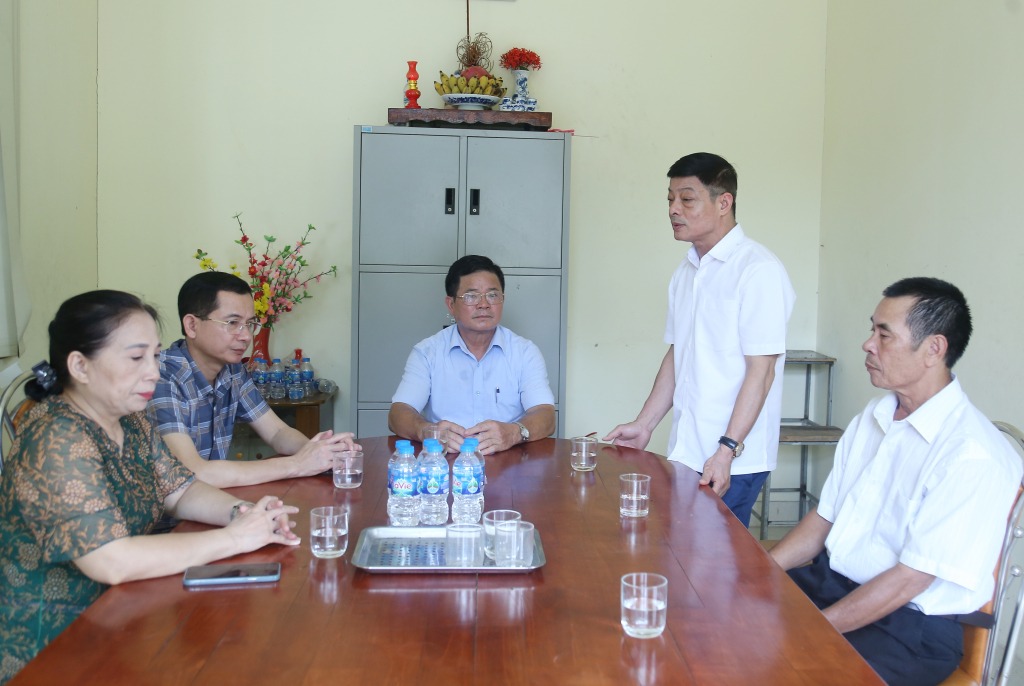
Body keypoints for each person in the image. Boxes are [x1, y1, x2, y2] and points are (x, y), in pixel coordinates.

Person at [0, 291, 301, 683]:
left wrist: (242, 514)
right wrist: (235, 539)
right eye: (136, 358)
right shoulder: (56, 436)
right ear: (80, 366)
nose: (153, 373)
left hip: (120, 618)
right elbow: (111, 560)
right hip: (51, 645)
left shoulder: (130, 420)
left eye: (156, 356)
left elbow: (180, 490)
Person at [770, 277, 1022, 685]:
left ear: (934, 349)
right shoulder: (874, 416)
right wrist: (759, 575)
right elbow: (824, 518)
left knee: (780, 669)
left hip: (907, 627)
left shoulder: (972, 454)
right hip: (831, 584)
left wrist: (811, 632)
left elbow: (910, 580)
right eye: (872, 329)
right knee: (724, 617)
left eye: (884, 335)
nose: (868, 344)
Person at [605, 152, 795, 527]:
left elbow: (762, 373)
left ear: (724, 202)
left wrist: (726, 450)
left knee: (717, 559)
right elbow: (679, 355)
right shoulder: (687, 270)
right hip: (687, 450)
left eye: (687, 199)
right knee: (681, 550)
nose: (674, 209)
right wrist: (645, 424)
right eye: (670, 199)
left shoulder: (758, 270)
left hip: (732, 459)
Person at [149, 272, 358, 488]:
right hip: (167, 508)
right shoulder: (160, 378)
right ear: (192, 325)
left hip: (211, 499)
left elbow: (277, 432)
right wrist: (298, 464)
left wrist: (320, 453)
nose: (246, 336)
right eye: (232, 323)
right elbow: (192, 473)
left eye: (250, 324)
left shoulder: (233, 371)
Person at [389, 255, 556, 456]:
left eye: (492, 295)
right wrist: (426, 431)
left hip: (510, 461)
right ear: (451, 304)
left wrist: (514, 433)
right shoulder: (427, 353)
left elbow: (546, 415)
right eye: (471, 296)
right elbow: (398, 413)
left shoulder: (525, 352)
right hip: (445, 462)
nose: (484, 304)